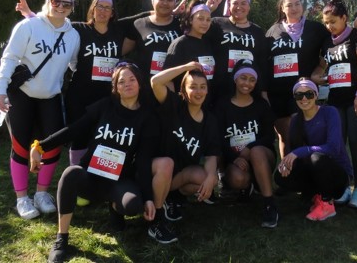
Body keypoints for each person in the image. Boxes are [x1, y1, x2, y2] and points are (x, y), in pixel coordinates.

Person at [31, 63, 177, 262]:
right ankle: (61, 239)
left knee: (133, 206)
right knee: (70, 174)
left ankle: (115, 208)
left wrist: (150, 198)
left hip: (119, 179)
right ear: (115, 88)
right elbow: (75, 129)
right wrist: (40, 147)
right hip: (91, 175)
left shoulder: (147, 117)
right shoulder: (105, 106)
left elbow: (143, 160)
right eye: (121, 82)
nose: (127, 84)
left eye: (132, 79)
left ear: (140, 84)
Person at [16, 0, 136, 166]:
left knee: (103, 136)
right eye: (99, 6)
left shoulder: (118, 31)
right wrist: (30, 15)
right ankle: (76, 176)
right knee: (78, 136)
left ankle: (98, 178)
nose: (103, 11)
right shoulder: (78, 29)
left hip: (107, 96)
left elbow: (142, 19)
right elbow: (53, 25)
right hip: (80, 94)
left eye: (107, 8)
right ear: (93, 9)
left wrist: (172, 13)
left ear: (112, 12)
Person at [0, 0, 81, 220]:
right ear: (48, 2)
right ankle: (22, 198)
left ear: (72, 8)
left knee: (52, 146)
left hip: (51, 96)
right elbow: (9, 58)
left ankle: (42, 194)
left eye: (67, 4)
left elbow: (75, 65)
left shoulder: (73, 35)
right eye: (56, 2)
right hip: (22, 94)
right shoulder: (28, 26)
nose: (61, 7)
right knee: (21, 147)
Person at [312, 0, 357, 209]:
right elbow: (322, 66)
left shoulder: (356, 36)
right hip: (335, 101)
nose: (329, 27)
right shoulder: (327, 42)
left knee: (356, 142)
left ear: (344, 18)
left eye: (333, 22)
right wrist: (316, 76)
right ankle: (344, 186)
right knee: (338, 144)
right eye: (326, 23)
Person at [150, 61, 221, 222]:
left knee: (209, 179)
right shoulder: (175, 105)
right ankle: (158, 207)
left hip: (181, 174)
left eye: (203, 87)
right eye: (193, 86)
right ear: (183, 90)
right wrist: (186, 67)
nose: (198, 91)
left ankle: (172, 197)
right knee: (168, 166)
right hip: (159, 170)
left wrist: (211, 177)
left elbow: (211, 155)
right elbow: (155, 82)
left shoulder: (210, 120)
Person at [274, 78, 352, 221]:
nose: (304, 98)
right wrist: (286, 165)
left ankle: (327, 203)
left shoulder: (330, 112)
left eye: (309, 94)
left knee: (317, 157)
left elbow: (334, 148)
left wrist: (300, 151)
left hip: (337, 175)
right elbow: (296, 153)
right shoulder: (296, 121)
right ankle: (316, 194)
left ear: (316, 95)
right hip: (314, 171)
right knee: (280, 177)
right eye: (299, 95)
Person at [266, 0, 328, 160]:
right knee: (284, 136)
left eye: (297, 4)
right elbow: (265, 61)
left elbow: (331, 52)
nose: (294, 8)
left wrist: (319, 70)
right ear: (282, 8)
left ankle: (305, 173)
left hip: (303, 91)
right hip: (277, 93)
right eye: (289, 5)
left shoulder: (316, 29)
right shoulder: (273, 31)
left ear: (302, 5)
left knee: (298, 132)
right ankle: (288, 177)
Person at [215, 59, 278, 227]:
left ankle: (269, 204)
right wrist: (235, 157)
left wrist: (249, 149)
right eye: (243, 78)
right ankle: (249, 185)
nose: (247, 83)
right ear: (235, 79)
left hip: (262, 155)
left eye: (252, 80)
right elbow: (219, 139)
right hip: (235, 159)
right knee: (238, 179)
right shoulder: (222, 106)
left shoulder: (261, 105)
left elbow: (269, 136)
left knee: (257, 151)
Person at [206, 0, 269, 103]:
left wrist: (263, 92)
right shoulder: (216, 24)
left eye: (244, 3)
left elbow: (262, 64)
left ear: (249, 7)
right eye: (235, 3)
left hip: (247, 91)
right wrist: (207, 10)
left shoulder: (257, 31)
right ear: (229, 5)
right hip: (218, 89)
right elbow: (192, 30)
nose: (239, 7)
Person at [126, 0, 183, 79]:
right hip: (143, 86)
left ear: (175, 3)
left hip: (171, 86)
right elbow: (121, 52)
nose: (165, 3)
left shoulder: (181, 25)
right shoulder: (138, 24)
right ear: (153, 0)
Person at [164, 0, 215, 93]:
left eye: (208, 20)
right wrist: (174, 102)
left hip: (206, 103)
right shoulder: (180, 44)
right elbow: (167, 79)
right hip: (184, 103)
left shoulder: (208, 43)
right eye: (200, 18)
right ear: (191, 20)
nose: (205, 23)